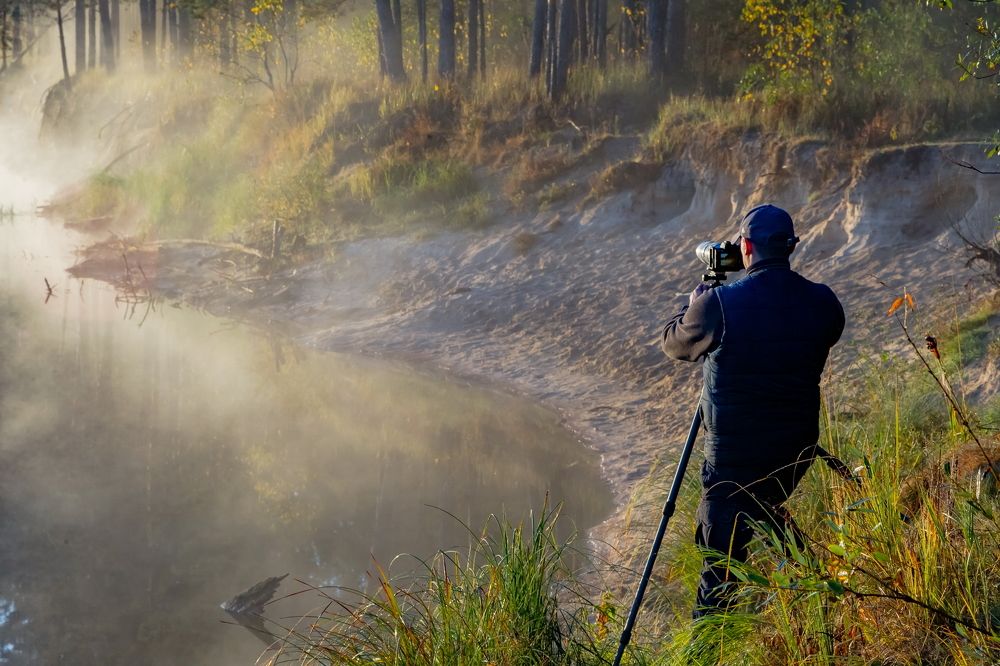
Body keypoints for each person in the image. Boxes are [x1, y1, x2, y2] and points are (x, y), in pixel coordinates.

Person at [661, 204, 845, 618]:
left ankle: (709, 649)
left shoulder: (719, 305)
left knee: (720, 565)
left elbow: (674, 343)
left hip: (733, 462)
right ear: (790, 248)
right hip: (793, 455)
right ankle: (811, 602)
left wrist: (697, 300)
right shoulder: (824, 303)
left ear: (745, 247)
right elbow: (818, 330)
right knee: (765, 507)